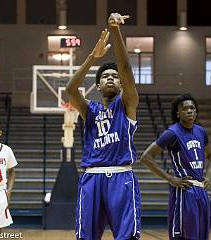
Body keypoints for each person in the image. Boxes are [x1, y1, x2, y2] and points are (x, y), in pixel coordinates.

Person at [66, 13, 140, 240]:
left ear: (121, 84)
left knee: (126, 237)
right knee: (86, 236)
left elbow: (126, 69)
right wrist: (92, 56)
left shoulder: (128, 104)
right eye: (106, 76)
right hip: (92, 178)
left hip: (122, 177)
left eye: (115, 77)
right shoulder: (90, 110)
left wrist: (115, 30)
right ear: (98, 85)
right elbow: (70, 91)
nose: (111, 78)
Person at [140, 94, 211, 240]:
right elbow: (145, 158)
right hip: (184, 191)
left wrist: (208, 175)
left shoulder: (201, 132)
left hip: (201, 191)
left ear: (196, 112)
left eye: (192, 108)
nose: (190, 111)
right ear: (178, 114)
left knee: (201, 236)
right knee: (183, 235)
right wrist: (171, 179)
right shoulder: (172, 133)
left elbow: (210, 156)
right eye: (185, 109)